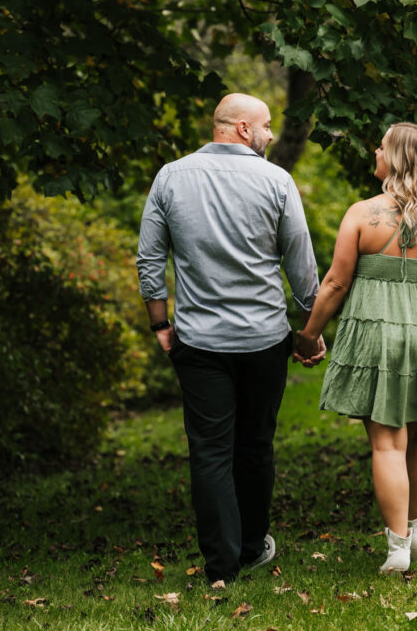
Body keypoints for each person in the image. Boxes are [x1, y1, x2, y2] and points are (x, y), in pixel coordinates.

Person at [136, 93, 323, 584]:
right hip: (264, 339)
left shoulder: (170, 177)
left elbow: (149, 259)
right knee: (256, 444)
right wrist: (309, 333)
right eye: (264, 127)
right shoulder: (277, 181)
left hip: (198, 342)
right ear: (241, 128)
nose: (269, 136)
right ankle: (251, 546)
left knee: (210, 451)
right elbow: (302, 269)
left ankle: (221, 566)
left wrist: (160, 324)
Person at [296, 122, 417, 573]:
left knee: (387, 443)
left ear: (398, 158)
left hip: (379, 336)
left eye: (382, 146)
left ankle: (398, 546)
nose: (375, 151)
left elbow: (335, 283)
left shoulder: (362, 215)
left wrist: (308, 334)